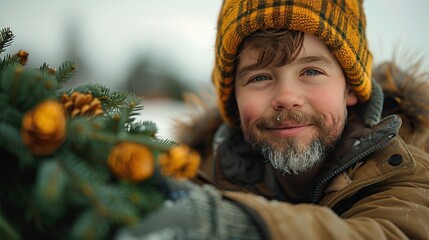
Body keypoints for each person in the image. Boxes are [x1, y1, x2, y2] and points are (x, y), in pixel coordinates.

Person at [116, 0, 429, 239]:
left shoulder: (406, 171)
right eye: (260, 77)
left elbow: (385, 231)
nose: (286, 96)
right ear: (234, 98)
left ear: (350, 87)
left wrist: (236, 224)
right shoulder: (199, 174)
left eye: (311, 72)